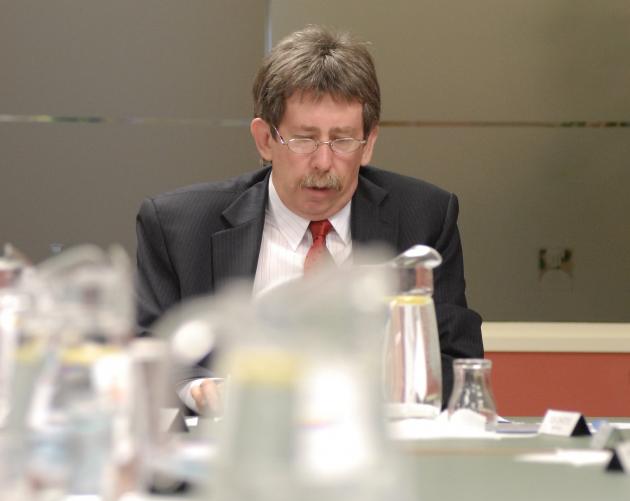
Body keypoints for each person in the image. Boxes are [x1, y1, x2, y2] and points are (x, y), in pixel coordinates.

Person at [135, 25, 483, 413]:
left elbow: (454, 358)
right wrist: (199, 387)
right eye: (303, 139)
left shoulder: (423, 217)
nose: (323, 162)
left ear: (369, 144)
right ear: (265, 140)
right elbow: (148, 351)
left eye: (343, 140)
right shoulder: (179, 225)